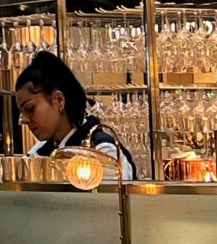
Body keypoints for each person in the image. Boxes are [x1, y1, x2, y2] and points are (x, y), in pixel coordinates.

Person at [14, 51, 137, 180]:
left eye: (30, 108)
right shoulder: (38, 152)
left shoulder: (103, 151)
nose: (22, 120)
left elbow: (110, 199)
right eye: (21, 112)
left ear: (59, 100)